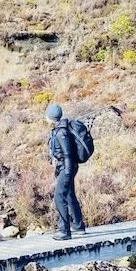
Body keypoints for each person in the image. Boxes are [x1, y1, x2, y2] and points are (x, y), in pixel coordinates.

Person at [46, 103, 86, 240]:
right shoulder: (60, 129)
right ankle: (78, 226)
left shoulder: (62, 132)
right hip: (67, 167)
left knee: (59, 196)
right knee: (69, 194)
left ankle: (64, 231)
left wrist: (67, 172)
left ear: (51, 117)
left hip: (67, 168)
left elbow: (67, 154)